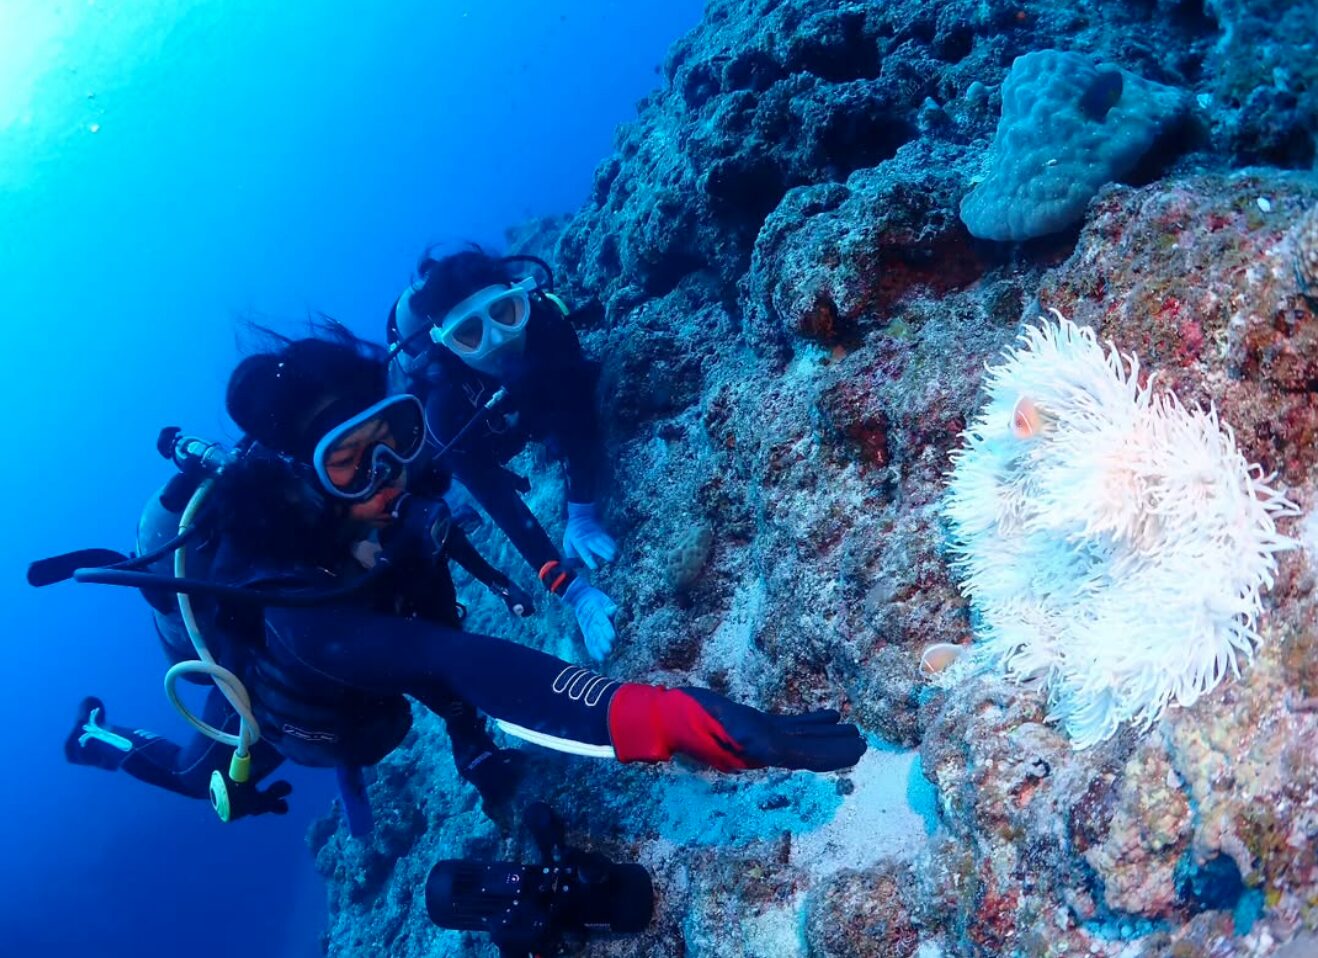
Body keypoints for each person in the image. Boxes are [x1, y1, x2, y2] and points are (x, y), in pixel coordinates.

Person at [53, 323, 866, 823]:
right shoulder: (295, 605)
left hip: (385, 655)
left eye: (396, 435)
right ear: (301, 480)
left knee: (416, 611)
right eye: (349, 464)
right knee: (211, 788)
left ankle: (467, 748)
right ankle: (102, 739)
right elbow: (450, 662)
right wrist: (663, 716)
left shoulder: (393, 510)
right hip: (279, 704)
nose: (390, 473)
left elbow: (439, 637)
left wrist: (472, 737)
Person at [387, 248, 620, 660]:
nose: (497, 340)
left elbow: (578, 411)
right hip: (485, 438)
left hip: (532, 410)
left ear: (522, 299)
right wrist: (573, 591)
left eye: (506, 313)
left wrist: (581, 510)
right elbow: (501, 503)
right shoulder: (444, 407)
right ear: (446, 343)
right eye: (469, 334)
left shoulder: (547, 323)